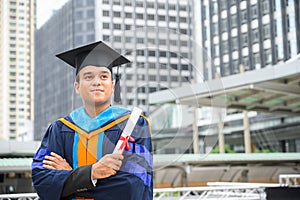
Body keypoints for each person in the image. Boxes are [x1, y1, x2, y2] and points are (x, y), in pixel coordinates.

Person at [31, 41, 153, 200]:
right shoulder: (60, 129)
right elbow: (42, 180)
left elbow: (132, 185)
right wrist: (92, 173)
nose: (97, 82)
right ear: (77, 86)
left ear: (112, 85)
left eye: (104, 76)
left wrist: (73, 178)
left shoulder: (133, 124)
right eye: (88, 77)